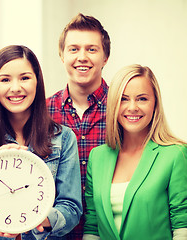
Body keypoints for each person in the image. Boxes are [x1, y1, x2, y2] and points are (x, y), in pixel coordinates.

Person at [0, 45, 82, 240]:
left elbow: (71, 210)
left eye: (25, 78)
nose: (16, 88)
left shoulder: (63, 138)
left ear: (37, 81)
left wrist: (32, 218)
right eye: (5, 80)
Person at [83, 64, 187, 240]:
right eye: (124, 99)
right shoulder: (98, 156)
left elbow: (183, 226)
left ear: (155, 103)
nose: (132, 107)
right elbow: (93, 226)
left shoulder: (176, 154)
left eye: (142, 99)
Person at [46, 13, 111, 240]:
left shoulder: (122, 110)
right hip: (55, 234)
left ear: (105, 57)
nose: (82, 57)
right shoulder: (42, 113)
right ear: (62, 55)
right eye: (73, 49)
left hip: (108, 231)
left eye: (91, 49)